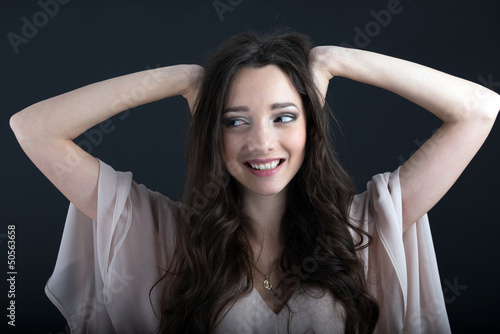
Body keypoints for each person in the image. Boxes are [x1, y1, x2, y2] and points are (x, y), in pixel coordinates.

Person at [9, 29, 499, 334]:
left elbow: (479, 109)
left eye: (284, 117)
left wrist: (332, 61)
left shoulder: (365, 229)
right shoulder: (162, 233)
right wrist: (183, 79)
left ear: (312, 125)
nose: (261, 143)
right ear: (211, 132)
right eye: (234, 121)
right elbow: (33, 129)